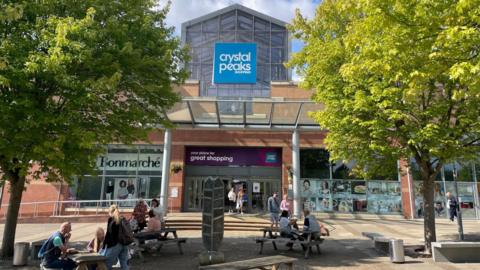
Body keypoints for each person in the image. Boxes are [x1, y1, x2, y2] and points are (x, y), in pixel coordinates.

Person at [104, 205, 129, 270]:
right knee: (124, 263)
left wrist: (104, 246)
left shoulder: (111, 219)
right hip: (124, 243)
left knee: (106, 264)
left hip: (115, 244)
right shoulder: (122, 218)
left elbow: (108, 234)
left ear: (110, 212)